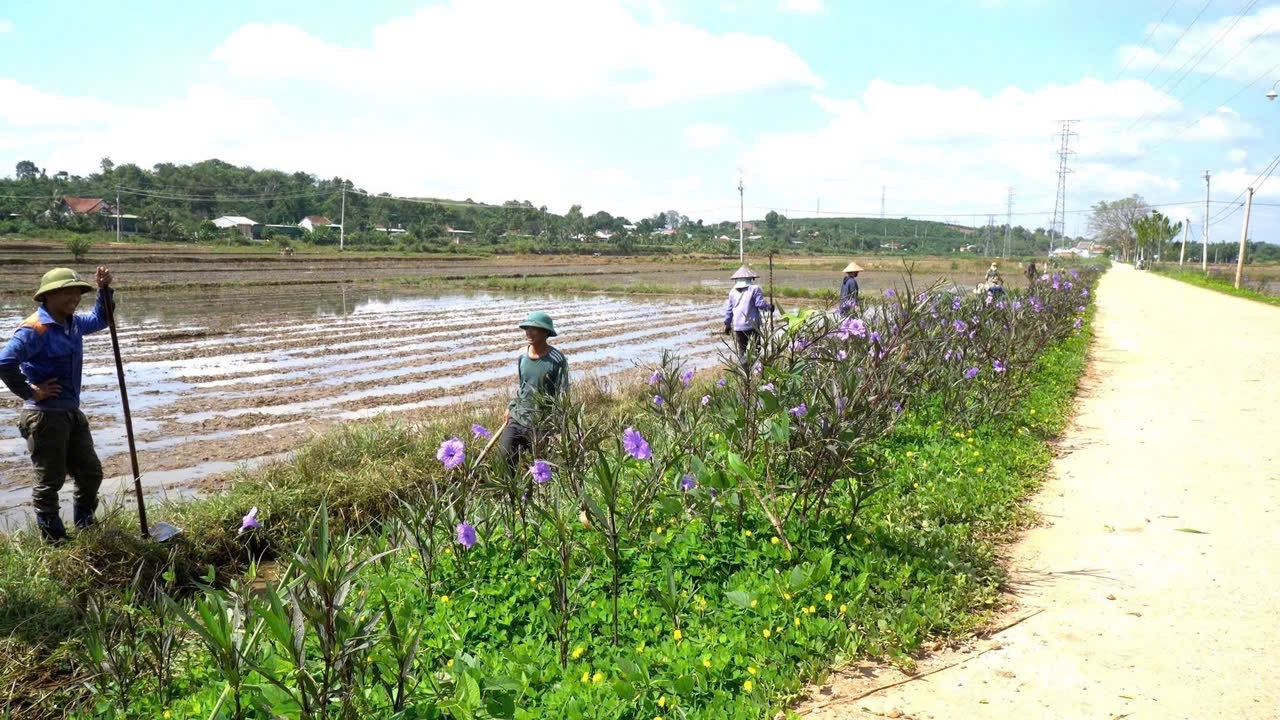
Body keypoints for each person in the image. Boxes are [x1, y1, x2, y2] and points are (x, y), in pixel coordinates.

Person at [0, 267, 113, 542]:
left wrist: (103, 290)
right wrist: (30, 392)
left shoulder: (72, 323)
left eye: (76, 291)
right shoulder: (34, 329)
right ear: (48, 296)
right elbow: (4, 362)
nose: (73, 297)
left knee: (90, 472)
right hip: (45, 416)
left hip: (70, 412)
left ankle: (86, 527)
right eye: (66, 291)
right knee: (50, 481)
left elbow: (101, 319)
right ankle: (54, 539)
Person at [497, 311, 569, 471]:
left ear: (546, 332)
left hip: (540, 423)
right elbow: (523, 386)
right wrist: (511, 406)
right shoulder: (522, 356)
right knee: (504, 457)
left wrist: (558, 425)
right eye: (526, 328)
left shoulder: (557, 360)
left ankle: (533, 494)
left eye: (534, 328)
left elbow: (563, 394)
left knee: (539, 468)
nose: (528, 332)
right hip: (518, 417)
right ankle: (512, 494)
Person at [723, 264, 773, 371]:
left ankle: (745, 372)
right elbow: (760, 305)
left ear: (736, 280)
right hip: (752, 326)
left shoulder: (732, 292)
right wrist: (769, 307)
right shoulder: (754, 289)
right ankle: (756, 371)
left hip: (738, 327)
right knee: (756, 350)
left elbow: (729, 310)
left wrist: (727, 324)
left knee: (742, 351)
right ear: (751, 278)